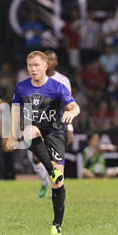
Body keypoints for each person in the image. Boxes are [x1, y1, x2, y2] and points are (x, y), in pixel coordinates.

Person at [6, 51, 80, 235]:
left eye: (37, 65)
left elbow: (74, 106)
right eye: (30, 66)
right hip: (35, 130)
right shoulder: (21, 88)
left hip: (54, 134)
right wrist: (11, 136)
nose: (33, 69)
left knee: (57, 184)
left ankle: (56, 224)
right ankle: (51, 170)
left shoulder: (57, 86)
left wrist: (72, 113)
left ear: (46, 66)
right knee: (29, 132)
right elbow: (15, 112)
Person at [29, 50, 74, 199]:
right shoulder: (34, 79)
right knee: (36, 156)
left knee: (55, 159)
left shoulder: (63, 81)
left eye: (51, 59)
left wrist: (70, 127)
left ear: (54, 62)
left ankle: (54, 188)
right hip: (37, 121)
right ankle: (44, 182)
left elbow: (69, 105)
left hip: (55, 122)